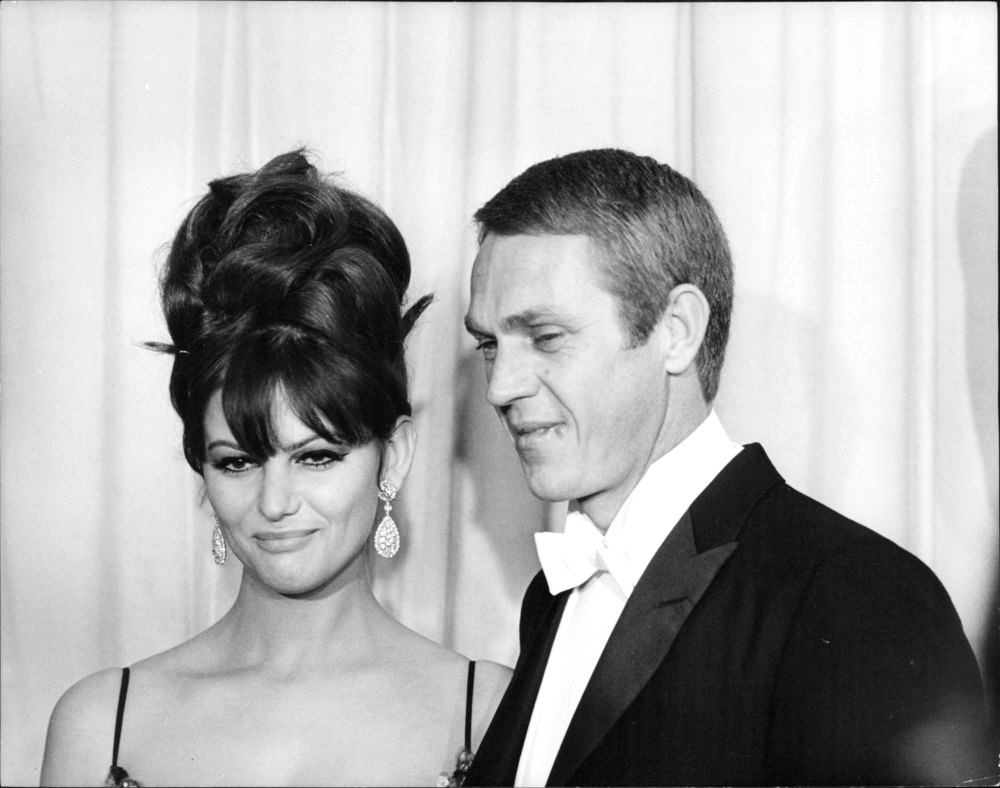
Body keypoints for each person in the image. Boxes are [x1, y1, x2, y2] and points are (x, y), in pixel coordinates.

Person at [461, 148, 992, 786]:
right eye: (489, 344)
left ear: (677, 330)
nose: (500, 387)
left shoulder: (856, 595)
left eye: (546, 337)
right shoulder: (550, 599)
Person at [40, 150, 509, 787]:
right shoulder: (99, 725)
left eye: (316, 457)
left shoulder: (489, 714)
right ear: (202, 469)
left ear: (393, 455)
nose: (274, 501)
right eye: (237, 462)